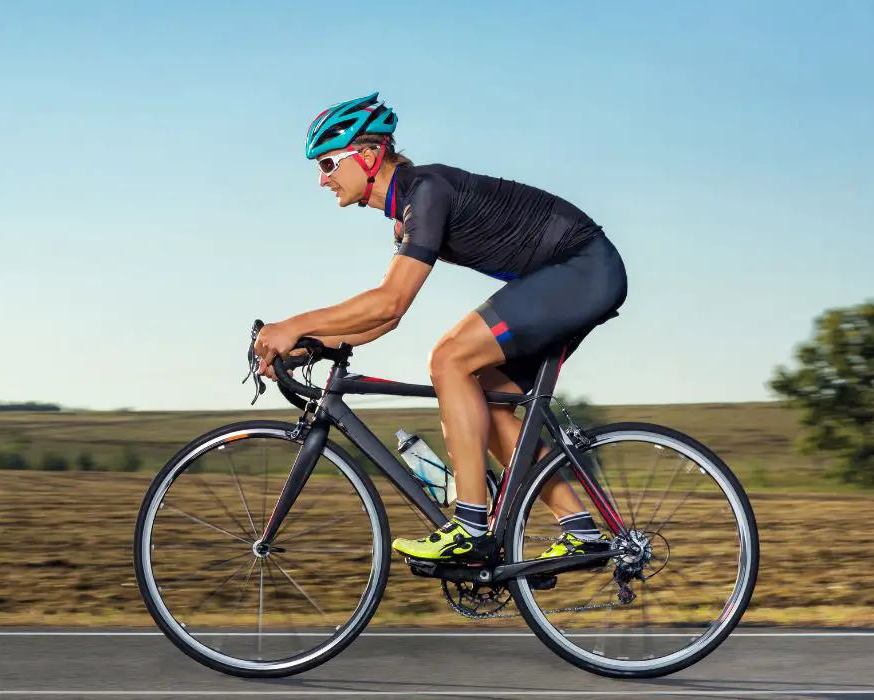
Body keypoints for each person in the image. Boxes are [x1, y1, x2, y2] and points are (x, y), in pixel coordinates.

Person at [253, 92, 627, 565]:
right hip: (569, 276)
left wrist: (295, 324)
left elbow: (390, 300)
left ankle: (470, 528)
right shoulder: (407, 209)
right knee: (486, 402)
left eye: (327, 164)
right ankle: (580, 531)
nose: (322, 180)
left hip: (583, 268)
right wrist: (307, 346)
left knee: (449, 358)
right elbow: (385, 319)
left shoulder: (425, 191)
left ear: (368, 156)